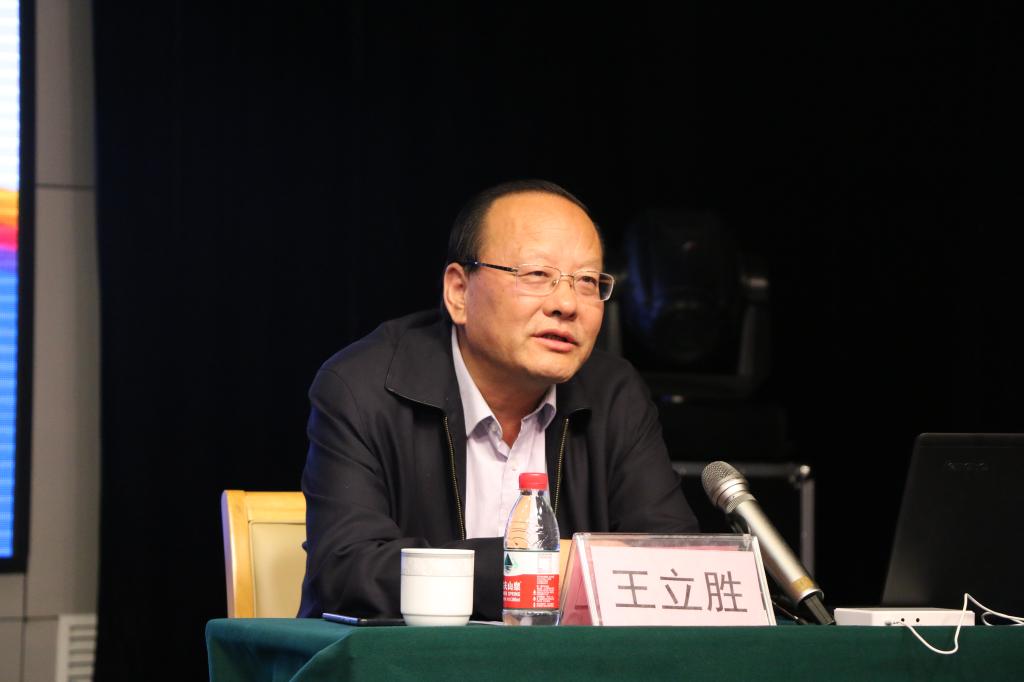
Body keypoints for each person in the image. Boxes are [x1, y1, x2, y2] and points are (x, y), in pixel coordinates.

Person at [298, 179, 698, 620]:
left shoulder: (615, 394)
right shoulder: (364, 387)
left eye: (587, 281)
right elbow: (347, 571)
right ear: (459, 292)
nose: (567, 304)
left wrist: (554, 570)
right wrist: (537, 569)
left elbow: (672, 563)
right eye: (537, 275)